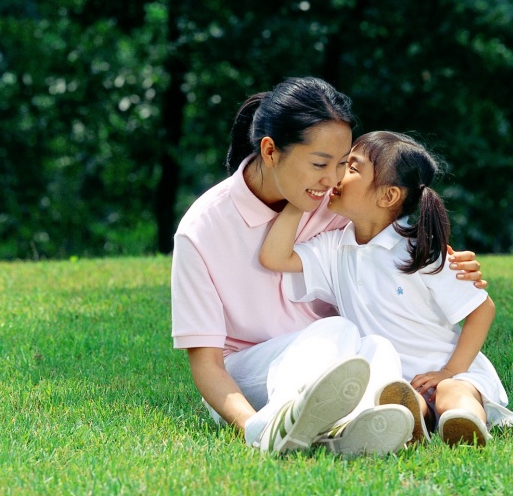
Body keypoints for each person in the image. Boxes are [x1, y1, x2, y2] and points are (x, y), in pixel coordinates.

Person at [171, 77, 486, 455]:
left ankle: (347, 429)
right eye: (320, 163)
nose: (333, 179)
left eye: (342, 164)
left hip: (337, 361)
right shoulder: (202, 230)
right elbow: (207, 365)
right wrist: (250, 423)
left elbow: (385, 230)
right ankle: (282, 421)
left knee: (379, 348)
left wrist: (443, 258)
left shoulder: (333, 200)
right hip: (253, 376)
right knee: (334, 331)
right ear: (270, 151)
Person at [259, 130, 513, 446]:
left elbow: (482, 309)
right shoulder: (333, 248)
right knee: (401, 399)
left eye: (352, 168)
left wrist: (450, 370)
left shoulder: (420, 249)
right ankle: (417, 424)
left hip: (450, 370)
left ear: (388, 196)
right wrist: (300, 200)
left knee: (454, 393)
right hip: (394, 380)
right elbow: (274, 257)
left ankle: (466, 425)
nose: (338, 174)